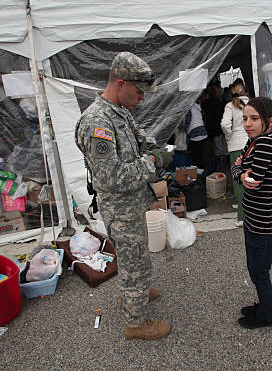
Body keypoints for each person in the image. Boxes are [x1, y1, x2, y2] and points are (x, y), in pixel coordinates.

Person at [75, 52, 172, 340]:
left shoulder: (118, 112)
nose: (142, 98)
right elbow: (111, 176)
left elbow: (135, 140)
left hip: (130, 203)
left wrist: (152, 148)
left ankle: (135, 294)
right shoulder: (97, 122)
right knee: (134, 261)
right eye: (139, 91)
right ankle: (135, 322)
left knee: (135, 256)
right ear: (120, 83)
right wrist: (152, 163)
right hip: (120, 207)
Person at [231, 96, 272, 329]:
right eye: (245, 118)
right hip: (256, 220)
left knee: (259, 273)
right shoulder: (256, 140)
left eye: (254, 118)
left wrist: (240, 170)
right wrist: (241, 171)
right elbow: (241, 171)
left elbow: (251, 180)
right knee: (257, 269)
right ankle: (263, 306)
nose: (248, 123)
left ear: (270, 121)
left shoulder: (266, 143)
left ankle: (266, 316)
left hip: (264, 225)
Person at [220, 79, 249, 227]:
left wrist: (229, 135)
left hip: (236, 146)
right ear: (245, 90)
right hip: (251, 144)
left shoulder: (230, 106)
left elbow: (224, 124)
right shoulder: (251, 103)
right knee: (251, 177)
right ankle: (248, 209)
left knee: (239, 180)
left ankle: (242, 217)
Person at [184, 93, 208, 169]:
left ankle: (199, 173)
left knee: (196, 156)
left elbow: (188, 120)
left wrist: (184, 129)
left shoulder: (189, 107)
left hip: (195, 133)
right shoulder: (196, 106)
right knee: (201, 155)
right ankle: (203, 171)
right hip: (203, 132)